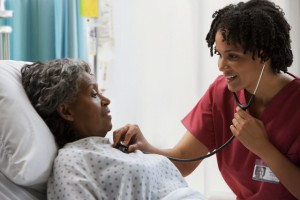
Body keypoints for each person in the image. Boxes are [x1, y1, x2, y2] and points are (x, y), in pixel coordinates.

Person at [113, 0, 300, 199]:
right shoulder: (220, 93)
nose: (221, 65)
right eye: (219, 55)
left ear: (264, 54)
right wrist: (145, 148)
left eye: (233, 56)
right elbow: (184, 160)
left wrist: (263, 148)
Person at [21, 58, 206, 200]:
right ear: (66, 111)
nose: (106, 100)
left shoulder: (115, 149)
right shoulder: (72, 160)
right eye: (93, 94)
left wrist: (145, 149)